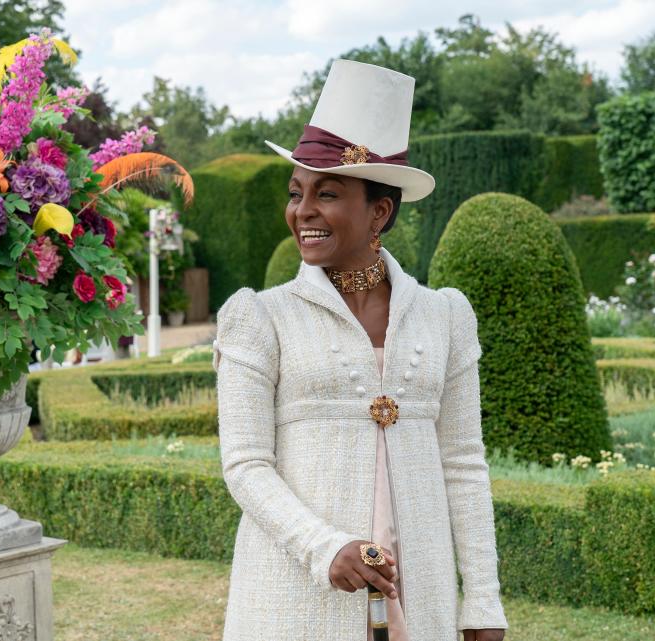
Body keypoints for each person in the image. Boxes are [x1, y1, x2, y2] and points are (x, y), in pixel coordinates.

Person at [212, 59, 508, 641]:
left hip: (420, 599)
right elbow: (245, 466)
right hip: (295, 595)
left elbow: (464, 464)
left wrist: (482, 602)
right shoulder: (258, 316)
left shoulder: (445, 315)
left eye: (327, 193)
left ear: (380, 211)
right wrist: (328, 548)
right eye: (296, 193)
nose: (303, 212)